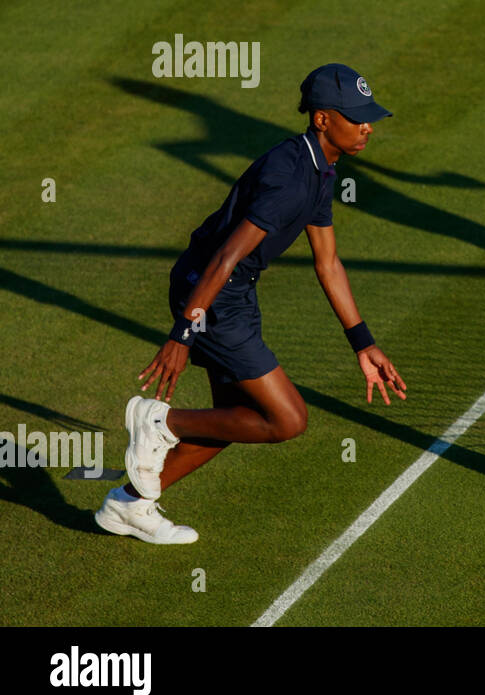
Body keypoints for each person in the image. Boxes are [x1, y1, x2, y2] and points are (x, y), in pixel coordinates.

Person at [95, 64, 408, 543]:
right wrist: (182, 333)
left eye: (369, 117)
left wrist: (362, 344)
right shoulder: (289, 179)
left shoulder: (321, 169)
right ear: (323, 119)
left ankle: (130, 505)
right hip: (215, 291)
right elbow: (225, 256)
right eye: (356, 117)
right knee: (287, 419)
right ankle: (158, 420)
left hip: (232, 288)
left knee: (239, 418)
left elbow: (327, 263)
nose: (368, 126)